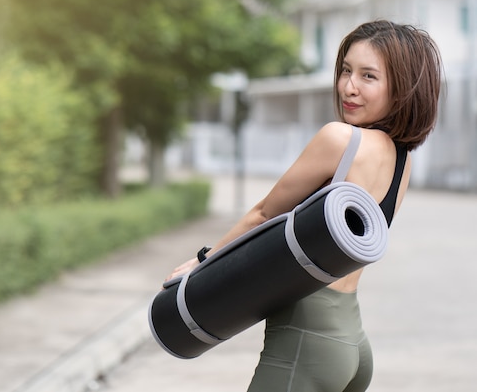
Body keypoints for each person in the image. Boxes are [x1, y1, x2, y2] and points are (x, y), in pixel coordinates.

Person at [165, 20, 443, 391]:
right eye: (346, 70)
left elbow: (264, 215)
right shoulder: (402, 161)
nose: (349, 87)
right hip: (350, 342)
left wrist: (203, 262)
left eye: (368, 76)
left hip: (306, 341)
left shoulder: (341, 139)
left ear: (402, 88)